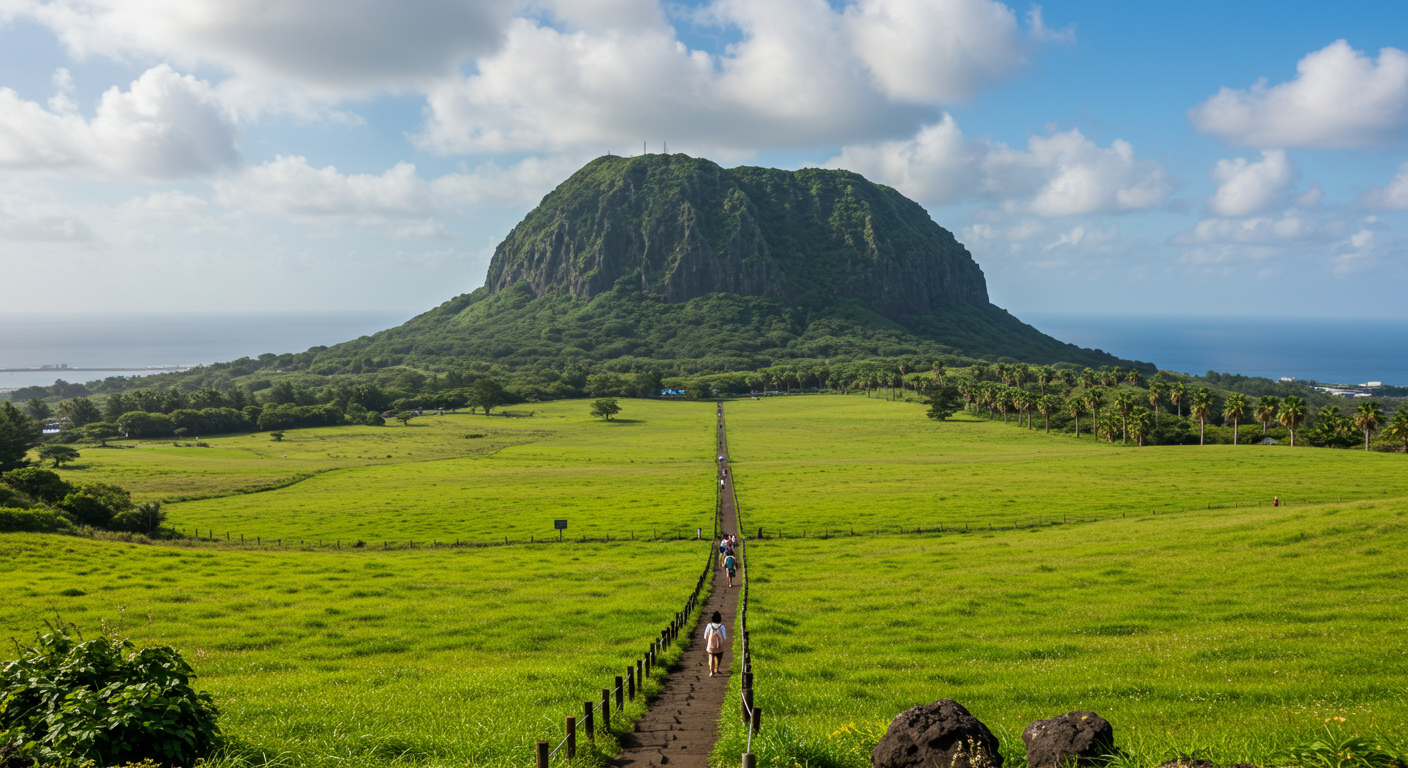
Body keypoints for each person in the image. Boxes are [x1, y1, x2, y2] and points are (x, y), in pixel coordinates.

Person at [704, 611, 728, 676]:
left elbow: (705, 635)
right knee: (718, 656)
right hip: (719, 645)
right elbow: (724, 637)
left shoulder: (709, 625)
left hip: (711, 644)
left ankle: (711, 671)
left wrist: (708, 640)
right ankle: (716, 669)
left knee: (711, 656)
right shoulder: (722, 627)